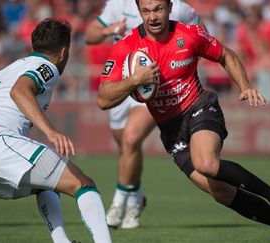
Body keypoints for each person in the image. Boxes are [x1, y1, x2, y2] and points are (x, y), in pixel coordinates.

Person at [97, 0, 270, 242]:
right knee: (221, 192)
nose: (153, 17)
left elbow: (226, 55)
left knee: (207, 164)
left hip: (199, 107)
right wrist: (133, 80)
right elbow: (103, 99)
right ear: (139, 12)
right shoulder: (127, 46)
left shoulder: (189, 34)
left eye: (158, 9)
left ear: (169, 7)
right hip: (171, 130)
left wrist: (245, 86)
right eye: (146, 11)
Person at [0, 18, 112, 243]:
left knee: (46, 185)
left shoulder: (1, 73)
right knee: (83, 183)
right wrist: (51, 132)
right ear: (63, 52)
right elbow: (20, 91)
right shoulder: (48, 67)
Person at [84, 0, 203, 229]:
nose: (152, 14)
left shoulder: (178, 7)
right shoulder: (118, 5)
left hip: (155, 84)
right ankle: (136, 195)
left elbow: (200, 34)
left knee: (131, 138)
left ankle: (119, 203)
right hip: (123, 81)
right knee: (126, 148)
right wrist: (110, 30)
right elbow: (90, 35)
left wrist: (181, 67)